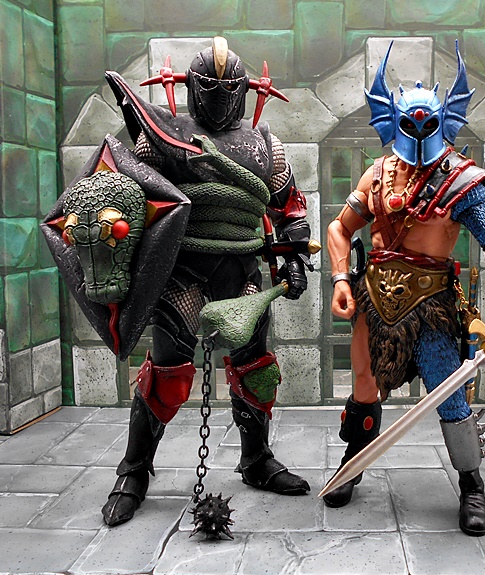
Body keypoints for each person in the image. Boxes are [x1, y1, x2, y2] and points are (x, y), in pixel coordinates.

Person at [325, 42, 485, 536]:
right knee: (362, 384)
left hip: (431, 306)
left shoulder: (459, 180)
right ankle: (354, 459)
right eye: (410, 123)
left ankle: (471, 484)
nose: (419, 132)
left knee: (448, 393)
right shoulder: (379, 174)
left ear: (444, 120)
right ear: (392, 121)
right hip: (374, 298)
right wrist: (340, 278)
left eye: (427, 123)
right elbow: (339, 227)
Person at [99, 37, 312, 526]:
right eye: (209, 86)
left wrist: (293, 257)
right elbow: (135, 195)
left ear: (244, 90)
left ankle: (256, 459)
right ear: (192, 87)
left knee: (255, 367)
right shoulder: (163, 135)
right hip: (183, 270)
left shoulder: (266, 145)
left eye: (227, 88)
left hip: (243, 271)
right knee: (167, 373)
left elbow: (289, 207)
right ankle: (134, 470)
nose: (218, 96)